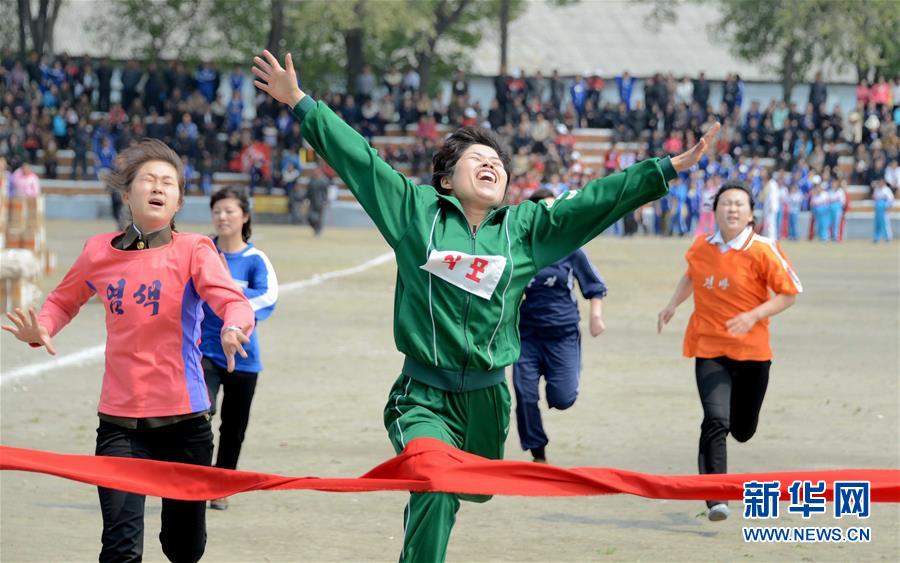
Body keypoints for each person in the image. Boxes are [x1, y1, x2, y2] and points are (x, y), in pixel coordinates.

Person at [252, 49, 717, 562]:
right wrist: (299, 101)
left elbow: (592, 202)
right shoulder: (414, 212)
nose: (492, 164)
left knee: (469, 488)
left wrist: (663, 169)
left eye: (497, 162)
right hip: (421, 394)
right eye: (478, 159)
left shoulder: (524, 230)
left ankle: (429, 505)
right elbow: (359, 160)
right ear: (447, 179)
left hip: (487, 400)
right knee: (436, 480)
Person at [2, 139, 254, 563]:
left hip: (185, 421)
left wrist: (233, 327)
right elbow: (64, 300)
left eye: (168, 183)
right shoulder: (97, 251)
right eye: (149, 180)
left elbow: (232, 300)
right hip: (120, 424)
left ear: (177, 203)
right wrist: (41, 327)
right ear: (126, 195)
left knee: (184, 547)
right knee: (119, 548)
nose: (158, 187)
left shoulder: (195, 249)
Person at [657, 181, 801, 522]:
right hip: (709, 347)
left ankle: (738, 435)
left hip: (752, 353)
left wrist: (753, 315)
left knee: (742, 429)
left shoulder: (765, 249)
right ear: (715, 210)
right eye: (725, 203)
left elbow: (789, 293)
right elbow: (692, 276)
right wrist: (672, 305)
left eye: (739, 204)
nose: (732, 209)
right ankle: (715, 497)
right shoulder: (701, 246)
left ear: (751, 213)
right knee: (715, 420)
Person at [513, 189, 607, 463]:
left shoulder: (571, 248)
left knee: (563, 398)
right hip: (525, 336)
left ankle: (559, 389)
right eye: (542, 210)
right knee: (525, 394)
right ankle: (537, 454)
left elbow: (594, 286)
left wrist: (595, 316)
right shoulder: (517, 247)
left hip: (562, 334)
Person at [202, 187, 279, 511]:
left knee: (233, 428)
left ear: (244, 216)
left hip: (244, 358)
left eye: (230, 211)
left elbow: (268, 297)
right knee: (198, 416)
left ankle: (221, 485)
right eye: (217, 210)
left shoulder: (254, 260)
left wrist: (231, 300)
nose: (223, 217)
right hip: (202, 352)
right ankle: (196, 481)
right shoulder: (202, 252)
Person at [872, 179, 894, 243]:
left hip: (884, 209)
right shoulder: (877, 189)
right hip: (878, 209)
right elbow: (874, 198)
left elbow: (891, 199)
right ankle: (876, 238)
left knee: (885, 223)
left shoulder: (887, 190)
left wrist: (888, 207)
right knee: (877, 224)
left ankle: (888, 237)